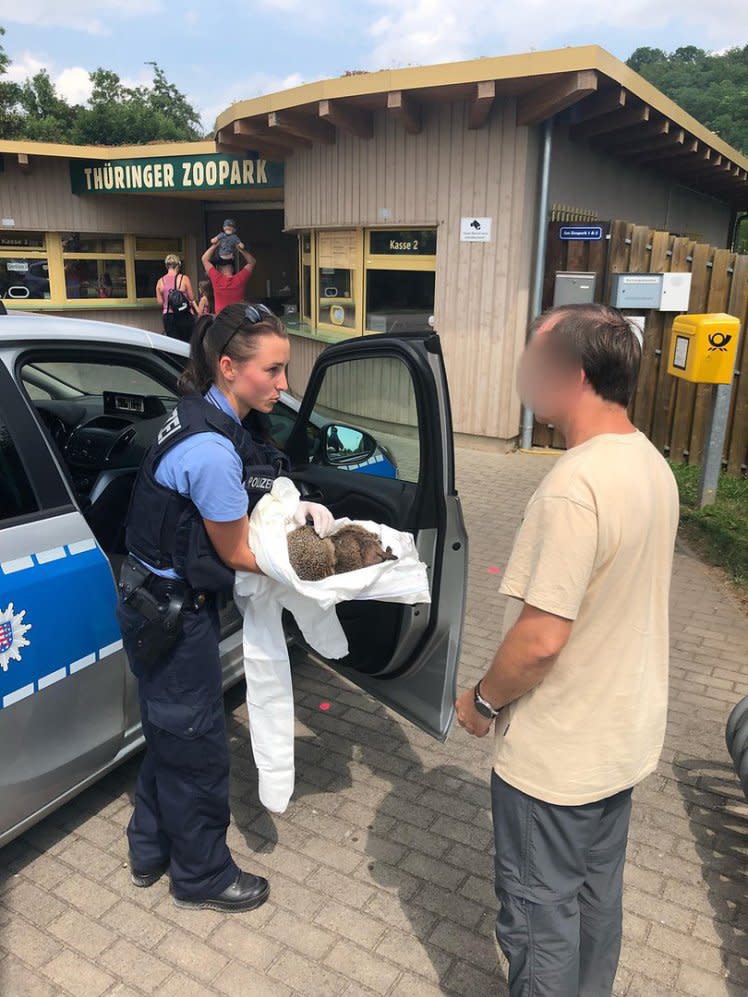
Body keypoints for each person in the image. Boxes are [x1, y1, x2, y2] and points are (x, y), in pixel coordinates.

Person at [455, 303, 679, 996]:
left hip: (555, 760)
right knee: (594, 900)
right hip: (619, 742)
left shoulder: (573, 488)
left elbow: (541, 639)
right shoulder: (649, 463)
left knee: (537, 918)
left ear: (571, 376)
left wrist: (483, 699)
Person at [116, 301, 334, 912]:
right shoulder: (210, 450)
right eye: (273, 371)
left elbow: (253, 479)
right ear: (230, 367)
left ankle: (148, 848)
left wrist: (294, 503)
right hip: (172, 615)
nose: (284, 384)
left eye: (285, 369)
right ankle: (202, 876)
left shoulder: (200, 417)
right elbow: (237, 551)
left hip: (151, 600)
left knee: (170, 734)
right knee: (199, 749)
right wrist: (317, 563)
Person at [202, 241, 256, 315]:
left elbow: (204, 259)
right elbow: (252, 262)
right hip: (238, 319)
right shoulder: (240, 279)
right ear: (232, 267)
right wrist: (240, 249)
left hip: (221, 320)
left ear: (219, 268)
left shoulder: (216, 279)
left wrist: (216, 244)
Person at [156, 254, 197, 341]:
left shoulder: (160, 281)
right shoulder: (184, 279)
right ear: (178, 265)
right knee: (188, 343)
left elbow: (160, 302)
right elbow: (192, 297)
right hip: (184, 314)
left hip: (168, 316)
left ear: (166, 266)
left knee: (173, 345)